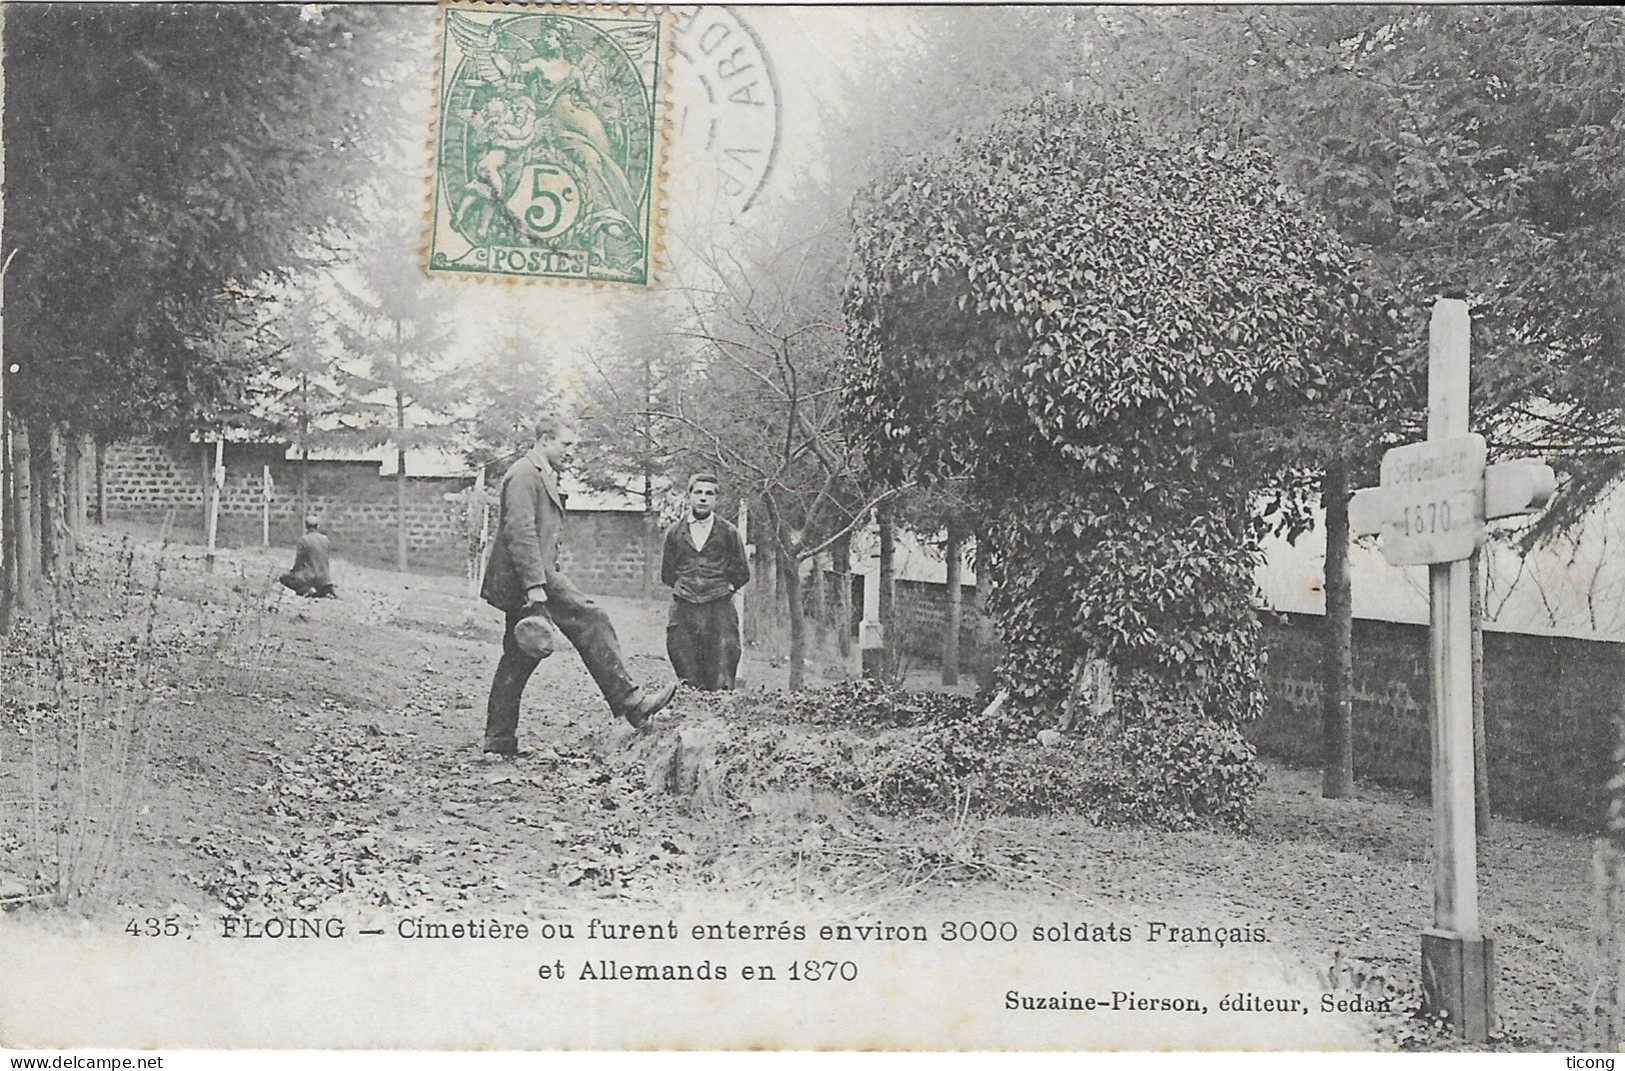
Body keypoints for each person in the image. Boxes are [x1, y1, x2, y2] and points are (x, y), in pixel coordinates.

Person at [479, 413, 676, 757]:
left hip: (531, 575)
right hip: (530, 577)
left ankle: (499, 738)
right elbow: (520, 532)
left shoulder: (540, 474)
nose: (571, 452)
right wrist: (534, 586)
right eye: (566, 444)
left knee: (519, 656)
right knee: (591, 618)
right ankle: (632, 702)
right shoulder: (525, 474)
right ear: (543, 440)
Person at [661, 472, 750, 690]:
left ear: (716, 500)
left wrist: (722, 588)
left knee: (722, 667)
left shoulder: (729, 532)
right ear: (689, 496)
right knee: (685, 664)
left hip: (719, 608)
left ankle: (719, 714)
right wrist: (687, 586)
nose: (703, 498)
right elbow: (667, 573)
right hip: (684, 607)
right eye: (698, 492)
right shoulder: (675, 532)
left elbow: (742, 572)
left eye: (709, 494)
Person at [279, 516, 337, 599]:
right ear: (318, 526)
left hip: (311, 578)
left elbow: (298, 562)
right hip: (325, 578)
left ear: (306, 527)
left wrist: (293, 572)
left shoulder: (304, 540)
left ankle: (307, 590)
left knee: (284, 578)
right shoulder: (325, 539)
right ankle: (325, 591)